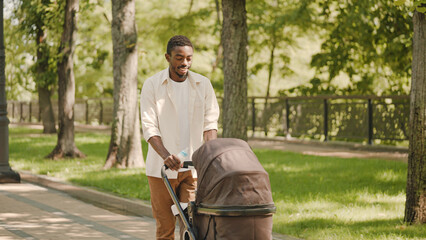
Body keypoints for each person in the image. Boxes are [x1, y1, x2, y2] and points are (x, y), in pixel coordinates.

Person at [140, 35, 220, 240]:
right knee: (165, 229)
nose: (185, 63)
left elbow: (210, 123)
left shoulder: (203, 84)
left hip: (193, 168)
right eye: (179, 58)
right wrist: (166, 156)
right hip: (162, 170)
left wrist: (208, 157)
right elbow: (149, 127)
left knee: (192, 228)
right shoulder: (152, 85)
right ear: (168, 57)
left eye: (189, 58)